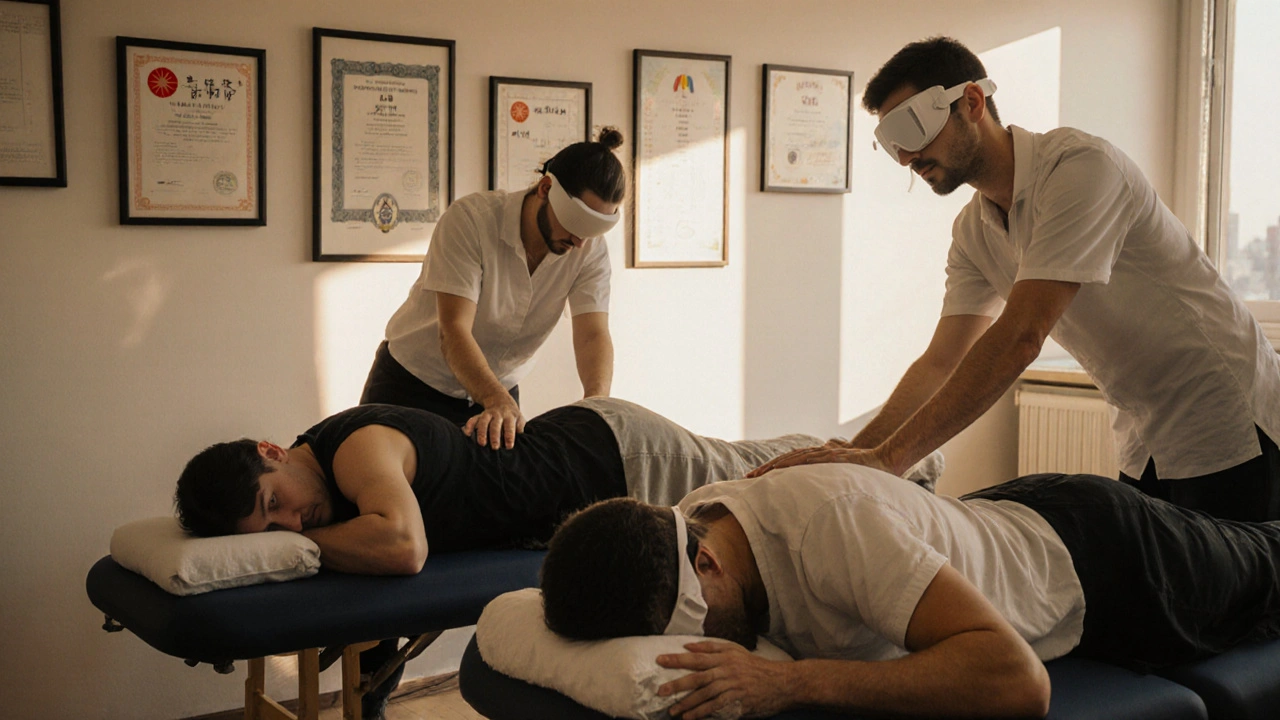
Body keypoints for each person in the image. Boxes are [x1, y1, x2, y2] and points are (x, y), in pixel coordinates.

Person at [753, 37, 1280, 522]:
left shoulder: (1081, 170)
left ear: (973, 103)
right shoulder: (973, 232)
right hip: (1144, 430)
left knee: (1236, 606)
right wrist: (849, 457)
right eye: (892, 143)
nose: (908, 158)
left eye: (913, 129)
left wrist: (888, 459)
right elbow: (942, 360)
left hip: (1226, 414)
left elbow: (1022, 335)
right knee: (1162, 602)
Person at [174, 396, 821, 719]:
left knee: (762, 473)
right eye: (268, 526)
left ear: (272, 451)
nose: (291, 520)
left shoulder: (356, 450)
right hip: (583, 464)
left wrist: (295, 545)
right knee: (757, 474)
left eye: (275, 501)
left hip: (613, 453)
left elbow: (403, 548)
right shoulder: (323, 486)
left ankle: (881, 460)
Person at [540, 465, 1280, 719]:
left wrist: (790, 684)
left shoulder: (832, 533)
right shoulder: (691, 527)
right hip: (1003, 517)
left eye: (696, 631)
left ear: (705, 566)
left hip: (1113, 562)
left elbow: (1020, 683)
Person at [360, 128, 627, 451]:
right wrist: (496, 400)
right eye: (575, 224)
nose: (580, 242)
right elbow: (454, 329)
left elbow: (592, 335)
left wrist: (596, 407)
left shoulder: (587, 249)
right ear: (546, 188)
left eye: (594, 231)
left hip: (498, 396)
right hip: (412, 383)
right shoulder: (472, 220)